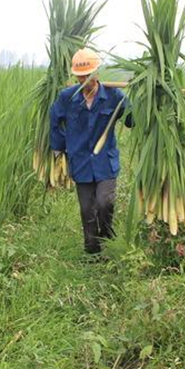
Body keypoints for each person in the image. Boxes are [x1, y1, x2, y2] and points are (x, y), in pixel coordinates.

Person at [50, 48, 132, 256]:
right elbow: (54, 121)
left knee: (105, 203)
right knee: (87, 210)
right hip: (81, 162)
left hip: (105, 161)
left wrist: (141, 97)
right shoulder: (67, 97)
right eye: (80, 76)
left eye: (88, 75)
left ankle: (107, 236)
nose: (84, 80)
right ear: (75, 76)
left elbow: (132, 121)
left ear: (96, 73)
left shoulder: (114, 96)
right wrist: (59, 147)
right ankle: (92, 253)